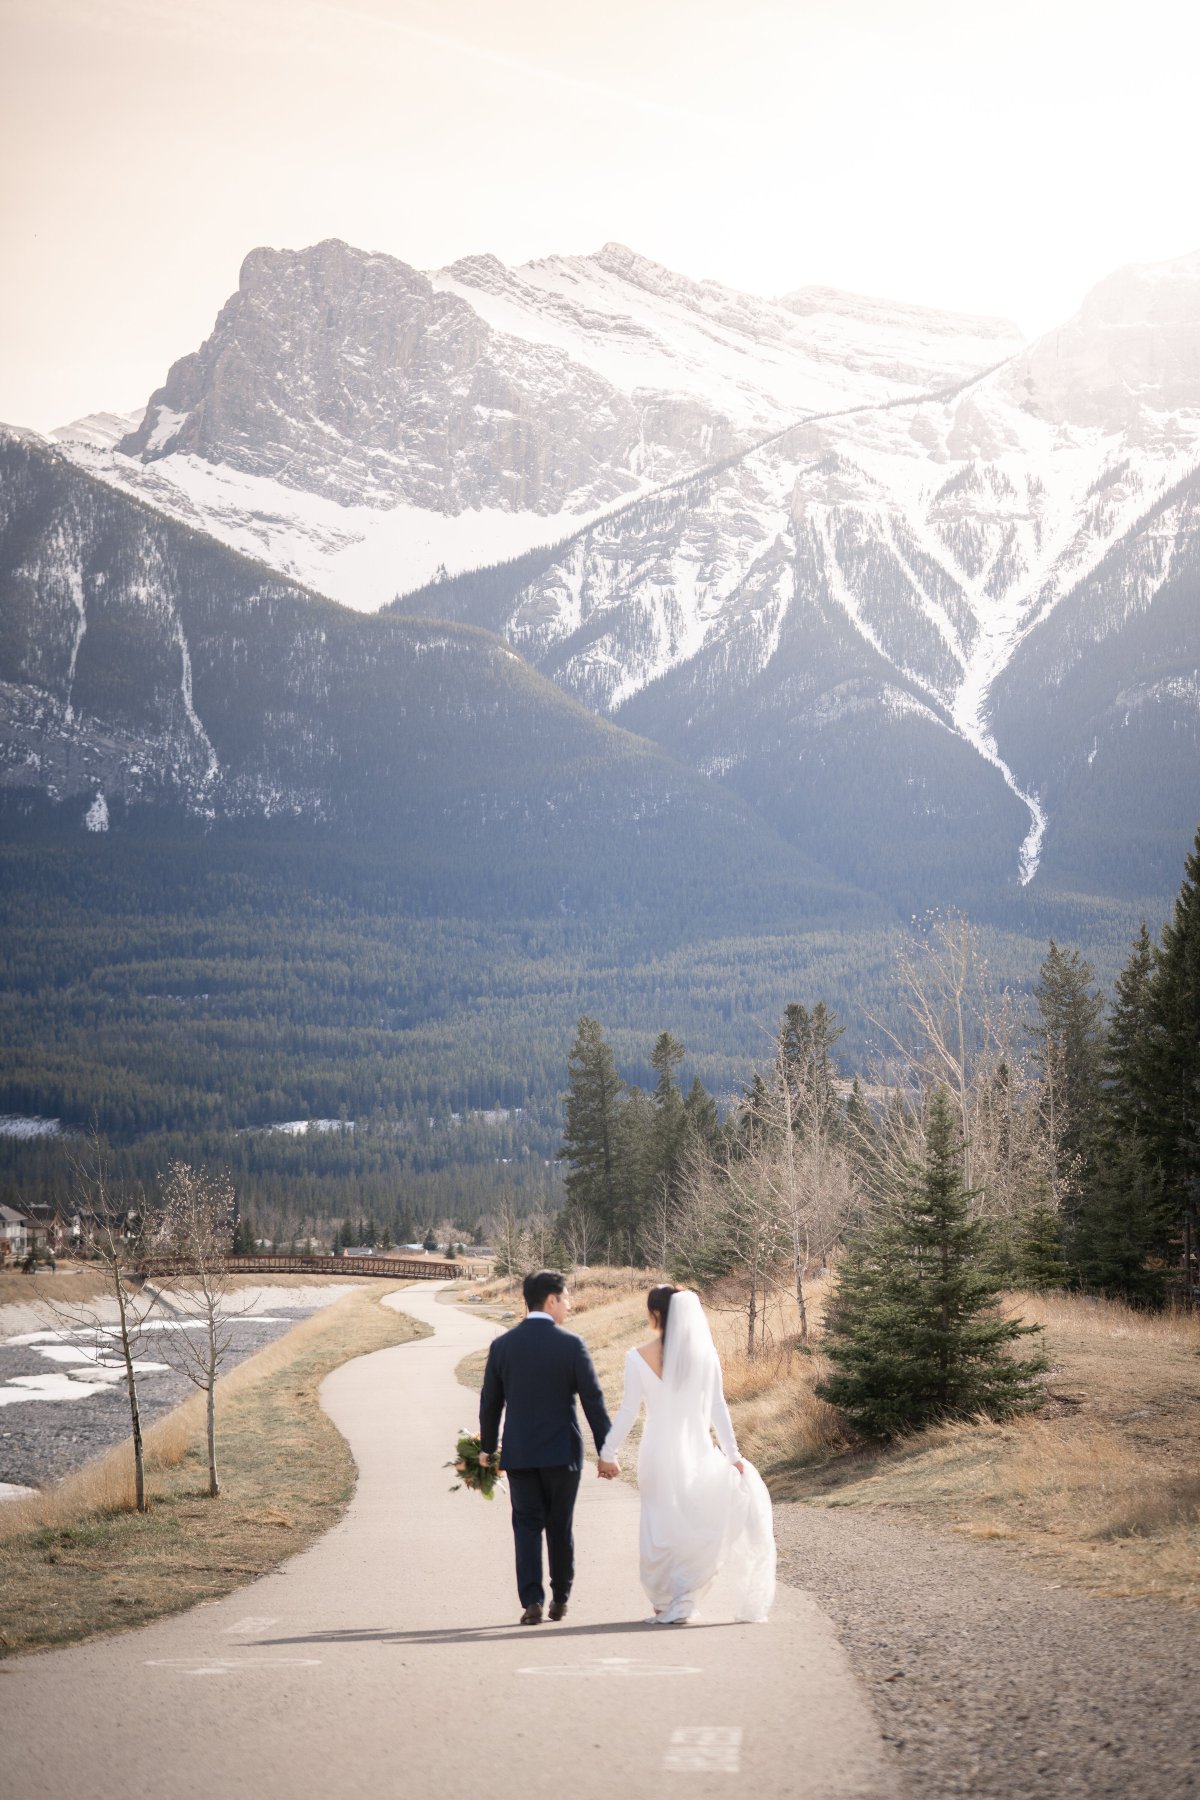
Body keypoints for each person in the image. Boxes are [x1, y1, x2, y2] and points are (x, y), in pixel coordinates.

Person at [600, 1283, 776, 1624]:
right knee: (692, 1521)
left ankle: (666, 1600)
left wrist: (609, 1452)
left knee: (658, 1524)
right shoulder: (706, 1356)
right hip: (696, 1448)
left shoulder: (637, 1356)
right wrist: (733, 1454)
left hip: (656, 1452)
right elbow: (717, 1407)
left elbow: (627, 1411)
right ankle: (684, 1594)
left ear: (655, 1315)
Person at [478, 1269, 613, 1626]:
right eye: (566, 1297)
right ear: (551, 1300)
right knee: (559, 1525)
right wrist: (606, 1451)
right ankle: (561, 1598)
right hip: (562, 1454)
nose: (568, 1304)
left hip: (520, 1453)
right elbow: (593, 1401)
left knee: (525, 1525)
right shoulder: (570, 1345)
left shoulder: (503, 1346)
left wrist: (488, 1447)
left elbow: (490, 1402)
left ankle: (532, 1601)